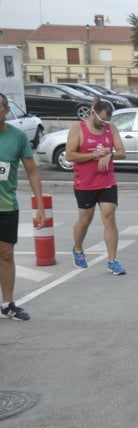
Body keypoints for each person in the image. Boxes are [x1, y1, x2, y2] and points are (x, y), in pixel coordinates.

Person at [66, 98, 127, 275]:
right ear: (92, 113)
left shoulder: (111, 128)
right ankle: (78, 248)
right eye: (101, 120)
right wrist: (94, 155)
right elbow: (70, 155)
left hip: (106, 180)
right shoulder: (78, 128)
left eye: (107, 121)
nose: (104, 124)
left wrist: (110, 156)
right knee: (85, 220)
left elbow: (122, 152)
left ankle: (112, 260)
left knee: (109, 216)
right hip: (85, 182)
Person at [0, 93, 46, 321]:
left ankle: (7, 304)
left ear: (6, 111)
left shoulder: (17, 137)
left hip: (6, 205)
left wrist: (40, 205)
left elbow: (32, 171)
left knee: (6, 254)